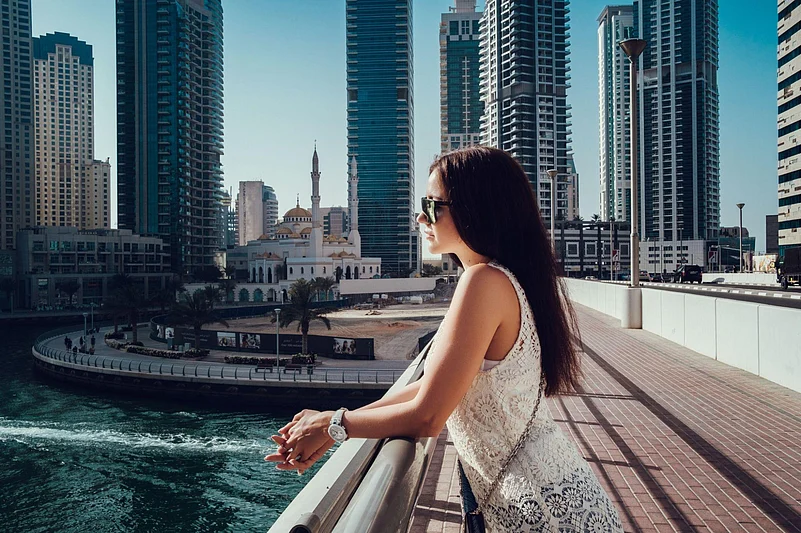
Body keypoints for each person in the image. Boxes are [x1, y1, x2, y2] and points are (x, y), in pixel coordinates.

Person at [266, 147, 623, 531]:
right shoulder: (504, 280)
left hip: (542, 509)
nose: (421, 217)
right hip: (548, 495)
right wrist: (334, 421)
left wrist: (333, 425)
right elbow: (432, 387)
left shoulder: (484, 281)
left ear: (476, 210)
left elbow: (428, 415)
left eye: (433, 206)